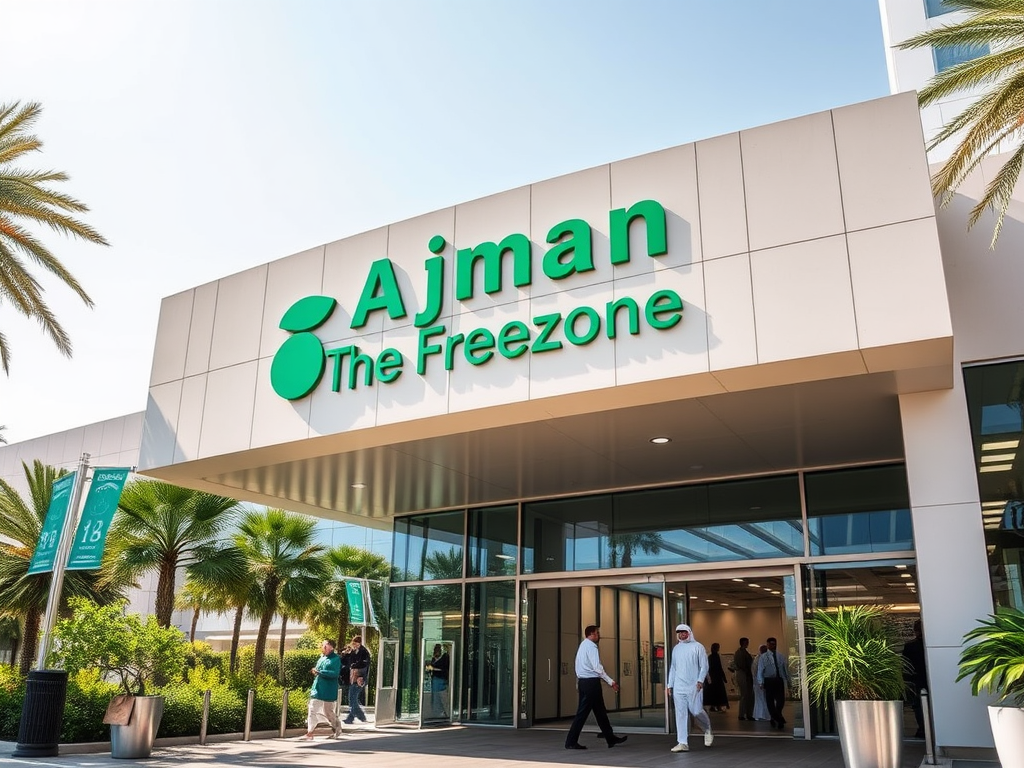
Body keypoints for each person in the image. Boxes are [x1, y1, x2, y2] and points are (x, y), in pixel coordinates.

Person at [564, 625, 629, 750]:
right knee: (582, 714)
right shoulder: (592, 647)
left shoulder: (582, 646)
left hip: (584, 682)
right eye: (597, 633)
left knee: (600, 712)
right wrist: (611, 682)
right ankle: (571, 741)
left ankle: (610, 738)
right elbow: (597, 667)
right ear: (592, 634)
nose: (599, 636)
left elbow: (578, 666)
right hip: (591, 684)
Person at [666, 623, 714, 752]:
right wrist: (669, 685)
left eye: (684, 632)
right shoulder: (676, 649)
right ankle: (682, 742)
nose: (682, 634)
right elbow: (673, 668)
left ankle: (707, 728)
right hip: (678, 686)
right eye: (680, 633)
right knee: (680, 714)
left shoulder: (698, 647)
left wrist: (700, 680)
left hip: (694, 685)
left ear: (689, 633)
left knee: (696, 711)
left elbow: (704, 666)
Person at [304, 639, 342, 739]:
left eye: (325, 646)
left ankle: (337, 727)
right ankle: (310, 732)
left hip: (328, 689)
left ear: (330, 647)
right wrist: (315, 671)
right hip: (317, 688)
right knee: (312, 708)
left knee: (328, 712)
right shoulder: (321, 658)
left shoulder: (336, 659)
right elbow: (317, 670)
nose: (323, 647)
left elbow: (335, 673)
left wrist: (320, 672)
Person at [755, 636, 791, 730]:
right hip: (769, 680)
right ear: (767, 645)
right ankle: (779, 719)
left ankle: (776, 716)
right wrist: (761, 682)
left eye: (774, 643)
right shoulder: (763, 657)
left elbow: (785, 669)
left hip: (779, 680)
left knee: (780, 701)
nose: (773, 645)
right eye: (770, 644)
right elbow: (760, 670)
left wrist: (788, 680)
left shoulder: (780, 656)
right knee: (770, 701)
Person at [902, 620, 927, 738]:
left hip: (917, 680)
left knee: (918, 706)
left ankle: (923, 729)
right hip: (927, 680)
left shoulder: (910, 646)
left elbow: (906, 666)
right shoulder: (930, 644)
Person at [341, 634, 371, 725]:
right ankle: (361, 716)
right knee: (352, 698)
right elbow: (346, 661)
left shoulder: (364, 652)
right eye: (353, 643)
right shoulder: (354, 651)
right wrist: (345, 654)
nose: (354, 645)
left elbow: (364, 664)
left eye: (356, 644)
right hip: (353, 677)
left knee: (352, 698)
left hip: (360, 677)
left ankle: (350, 718)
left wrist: (354, 665)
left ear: (359, 643)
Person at [426, 643, 451, 718]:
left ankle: (446, 712)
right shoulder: (434, 658)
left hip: (441, 679)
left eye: (437, 649)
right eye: (435, 649)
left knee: (442, 696)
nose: (436, 651)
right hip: (435, 679)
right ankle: (437, 713)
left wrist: (434, 669)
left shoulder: (445, 657)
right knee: (436, 697)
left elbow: (445, 669)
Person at [733, 637, 755, 721]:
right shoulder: (740, 653)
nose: (748, 643)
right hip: (743, 675)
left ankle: (747, 713)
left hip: (746, 675)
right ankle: (742, 714)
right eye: (747, 642)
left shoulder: (743, 652)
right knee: (745, 695)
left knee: (748, 695)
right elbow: (742, 665)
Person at [704, 642, 729, 712]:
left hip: (713, 677)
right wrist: (723, 677)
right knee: (718, 692)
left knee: (712, 692)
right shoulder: (716, 657)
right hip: (716, 677)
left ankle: (713, 705)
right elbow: (719, 667)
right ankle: (717, 705)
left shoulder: (710, 657)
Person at [752, 644, 770, 721]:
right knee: (765, 698)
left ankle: (759, 714)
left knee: (759, 698)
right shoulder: (764, 659)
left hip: (757, 681)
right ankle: (765, 714)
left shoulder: (757, 658)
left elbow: (754, 670)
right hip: (761, 680)